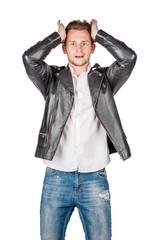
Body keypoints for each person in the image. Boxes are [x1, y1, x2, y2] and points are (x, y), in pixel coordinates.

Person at [22, 19, 137, 240]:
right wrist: (56, 37)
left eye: (84, 43)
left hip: (95, 178)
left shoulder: (105, 80)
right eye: (72, 43)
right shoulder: (52, 80)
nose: (78, 49)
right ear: (64, 48)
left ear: (93, 47)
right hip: (56, 178)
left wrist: (100, 35)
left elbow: (128, 58)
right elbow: (30, 59)